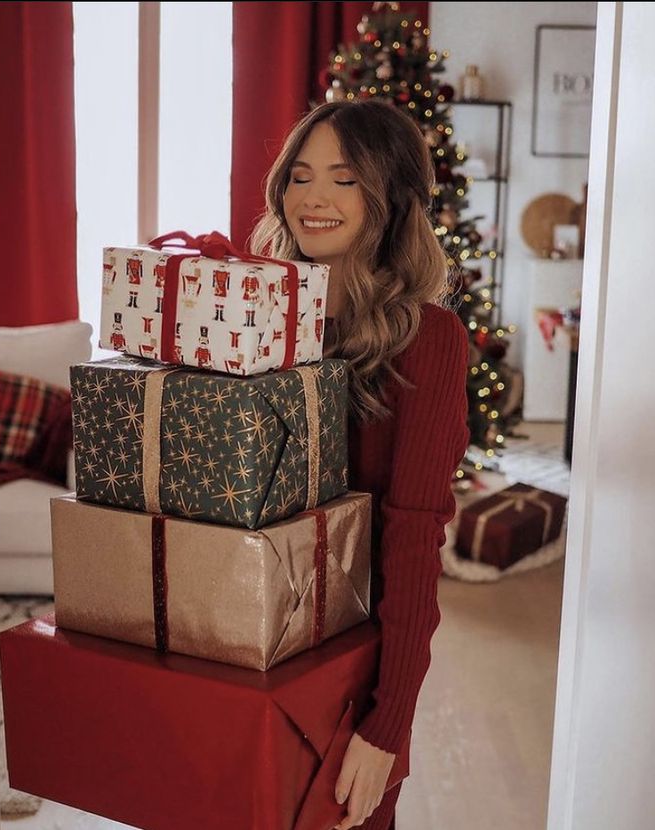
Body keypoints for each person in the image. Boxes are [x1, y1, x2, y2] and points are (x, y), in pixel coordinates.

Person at [251, 99, 470, 830]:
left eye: (344, 179)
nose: (313, 198)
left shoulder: (428, 341)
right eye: (300, 176)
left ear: (390, 196)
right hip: (241, 642)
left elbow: (413, 541)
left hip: (346, 675)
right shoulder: (255, 321)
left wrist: (388, 728)